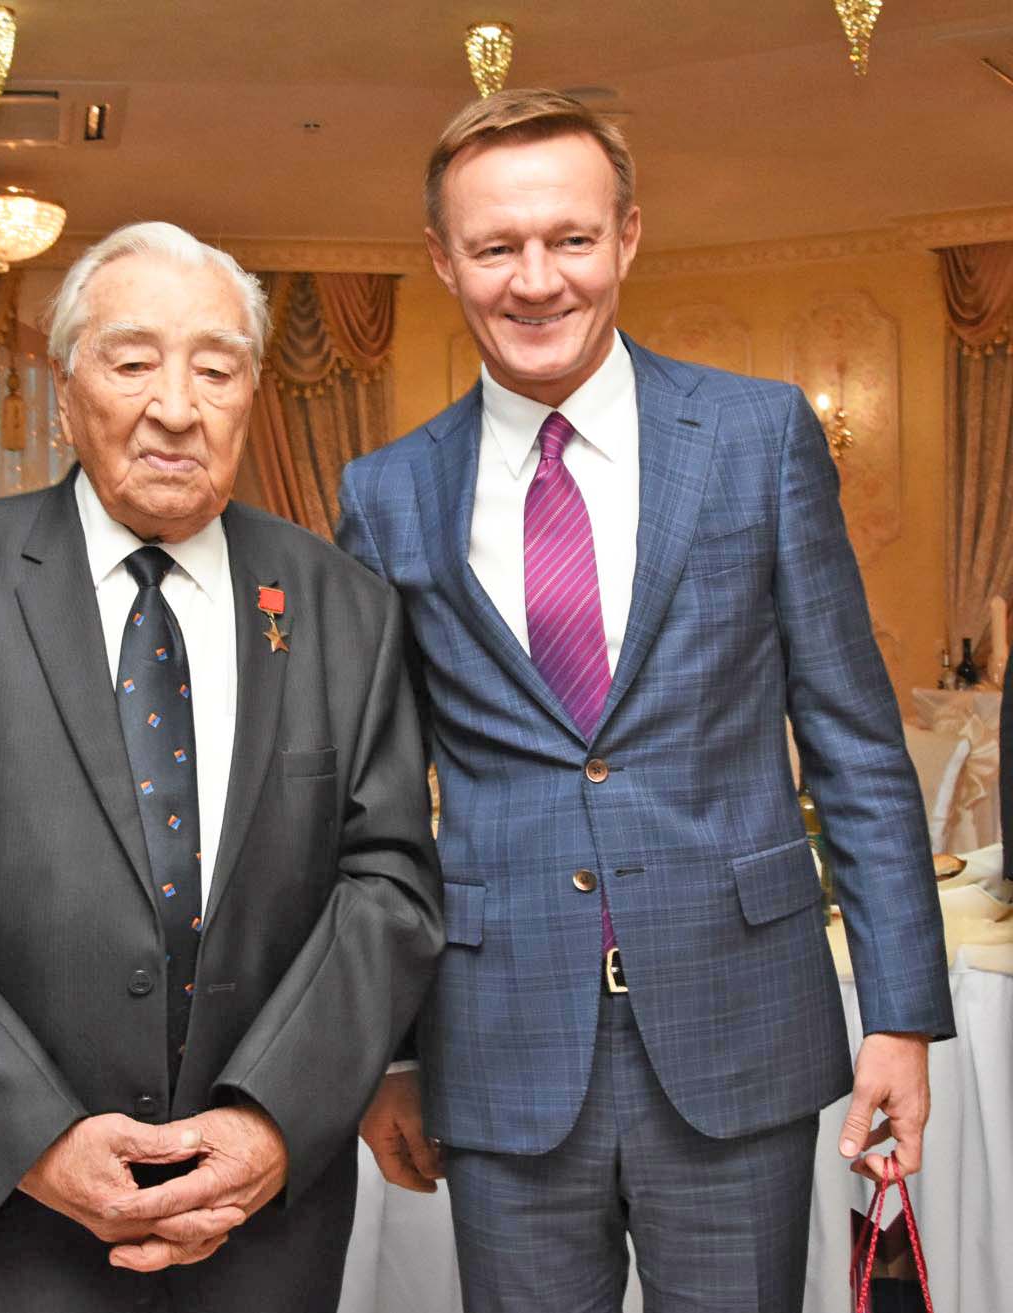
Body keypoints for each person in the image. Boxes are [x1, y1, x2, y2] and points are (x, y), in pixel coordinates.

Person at [338, 90, 954, 1312]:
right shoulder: (385, 492)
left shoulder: (755, 436)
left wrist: (897, 1015)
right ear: (442, 260)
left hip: (738, 1024)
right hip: (499, 1040)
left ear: (624, 236)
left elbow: (853, 742)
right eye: (494, 246)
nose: (535, 280)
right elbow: (375, 808)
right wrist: (389, 1050)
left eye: (568, 238)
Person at [0, 221, 443, 1313]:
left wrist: (270, 1120)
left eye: (216, 369)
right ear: (65, 392)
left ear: (251, 396)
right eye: (133, 360)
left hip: (256, 1238)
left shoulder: (346, 608)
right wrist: (35, 1139)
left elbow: (387, 884)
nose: (176, 406)